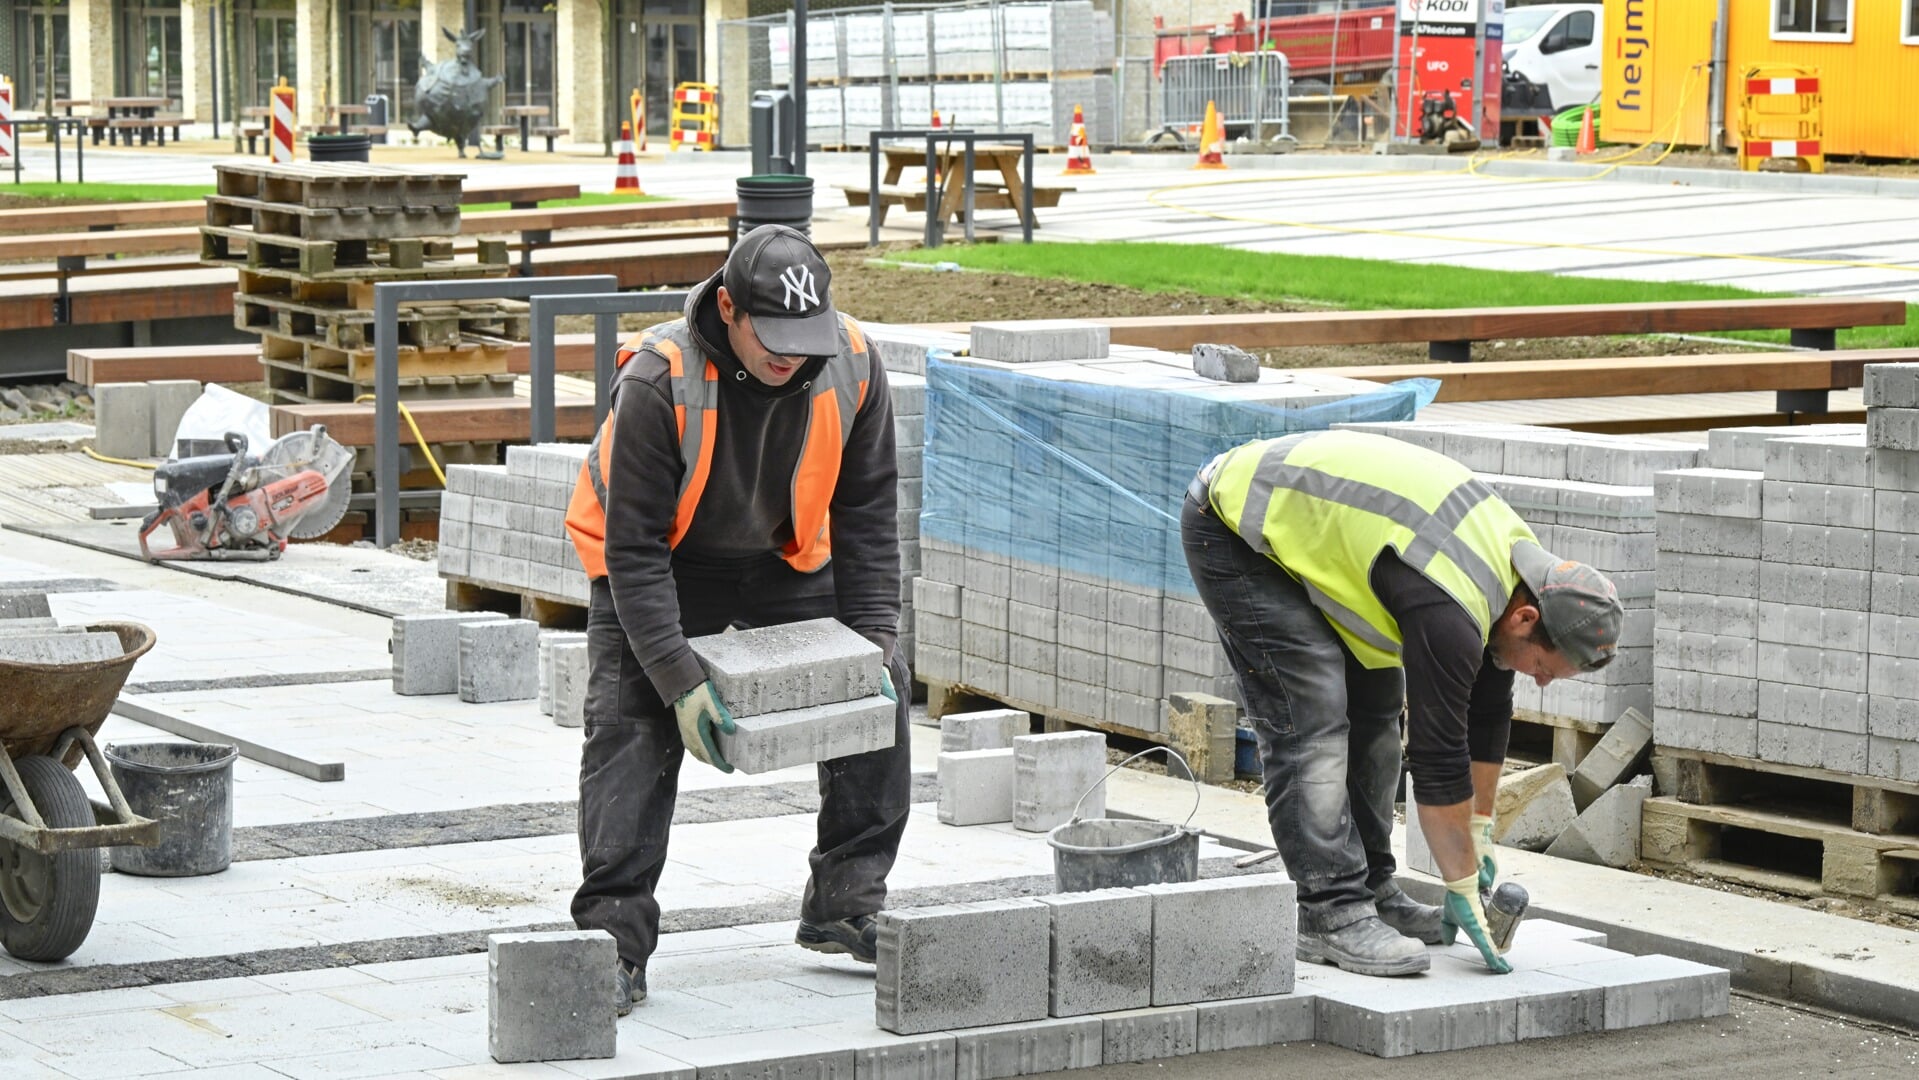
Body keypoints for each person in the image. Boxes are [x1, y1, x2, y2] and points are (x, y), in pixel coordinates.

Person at [564, 224, 910, 1015]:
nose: (791, 355)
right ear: (727, 308)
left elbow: (867, 514)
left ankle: (844, 904)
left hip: (783, 557)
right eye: (773, 337)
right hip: (662, 563)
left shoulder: (852, 361)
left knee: (877, 690)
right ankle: (612, 942)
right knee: (630, 722)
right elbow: (635, 552)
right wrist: (681, 683)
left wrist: (876, 644)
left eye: (805, 336)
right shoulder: (659, 379)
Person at [1180, 429, 1622, 976]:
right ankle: (1329, 912)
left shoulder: (1516, 581)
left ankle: (1371, 888)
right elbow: (1437, 758)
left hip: (1323, 536)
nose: (1543, 683)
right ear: (1527, 620)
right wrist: (1458, 879)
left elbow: (1484, 720)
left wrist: (1478, 835)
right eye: (1544, 669)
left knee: (1376, 712)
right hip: (1237, 528)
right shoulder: (1452, 606)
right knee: (1312, 721)